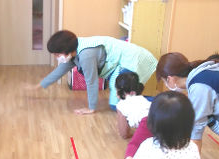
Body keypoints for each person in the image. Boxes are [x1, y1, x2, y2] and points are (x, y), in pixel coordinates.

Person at [27, 30, 157, 115]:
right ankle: (157, 103)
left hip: (134, 60)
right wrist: (39, 85)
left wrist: (91, 107)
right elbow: (59, 71)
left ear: (66, 50)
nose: (56, 57)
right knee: (117, 104)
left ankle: (160, 103)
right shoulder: (74, 51)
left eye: (57, 54)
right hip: (120, 63)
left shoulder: (86, 55)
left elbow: (92, 82)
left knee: (122, 101)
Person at [115, 71, 152, 138]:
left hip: (148, 126)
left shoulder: (120, 105)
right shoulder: (143, 99)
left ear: (119, 91)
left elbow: (124, 134)